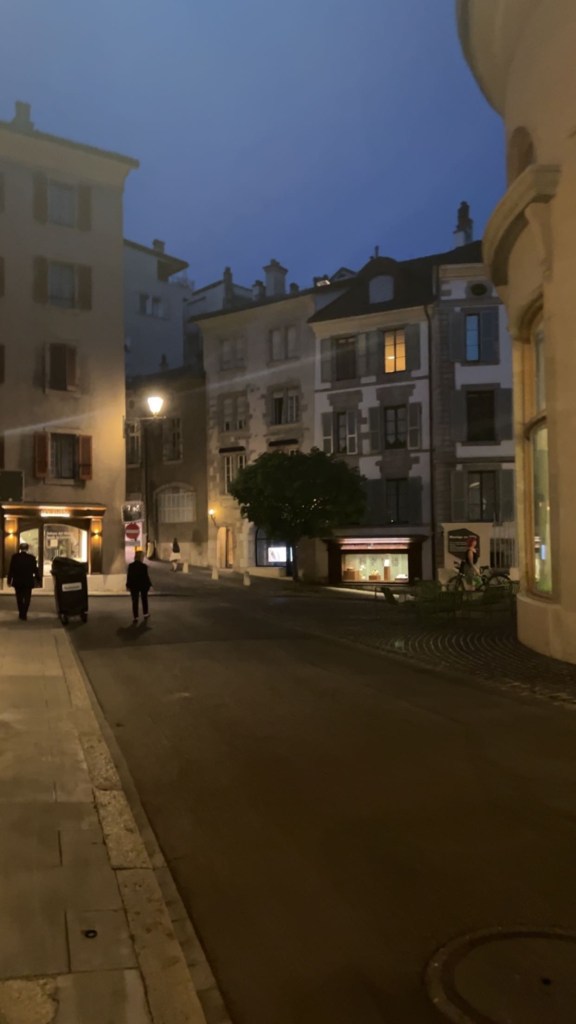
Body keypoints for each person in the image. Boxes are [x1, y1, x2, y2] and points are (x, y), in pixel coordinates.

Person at [8, 542, 41, 620]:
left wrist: (9, 580)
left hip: (18, 581)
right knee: (27, 598)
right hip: (28, 581)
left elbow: (11, 569)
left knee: (19, 598)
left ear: (20, 549)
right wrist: (38, 579)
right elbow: (35, 570)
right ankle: (24, 613)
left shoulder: (15, 557)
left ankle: (21, 613)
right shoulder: (32, 558)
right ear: (27, 548)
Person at [126, 549, 152, 624]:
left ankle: (135, 617)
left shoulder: (131, 566)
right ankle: (145, 614)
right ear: (141, 557)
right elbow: (146, 577)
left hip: (134, 585)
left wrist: (128, 585)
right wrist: (149, 585)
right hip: (143, 585)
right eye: (142, 557)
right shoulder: (144, 566)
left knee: (135, 601)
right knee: (144, 599)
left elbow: (129, 576)